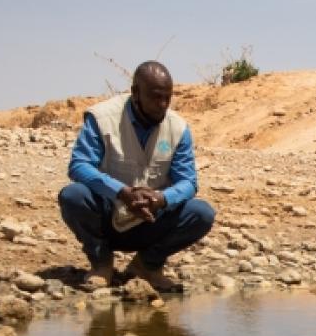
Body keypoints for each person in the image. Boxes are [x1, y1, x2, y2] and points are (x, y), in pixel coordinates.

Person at [58, 60, 215, 291]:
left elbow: (188, 182)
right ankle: (101, 263)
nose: (162, 105)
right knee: (73, 196)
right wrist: (122, 192)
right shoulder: (102, 118)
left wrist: (160, 200)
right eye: (155, 97)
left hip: (151, 220)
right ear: (135, 93)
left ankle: (146, 265)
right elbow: (79, 165)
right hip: (108, 216)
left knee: (201, 213)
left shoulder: (178, 128)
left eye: (167, 98)